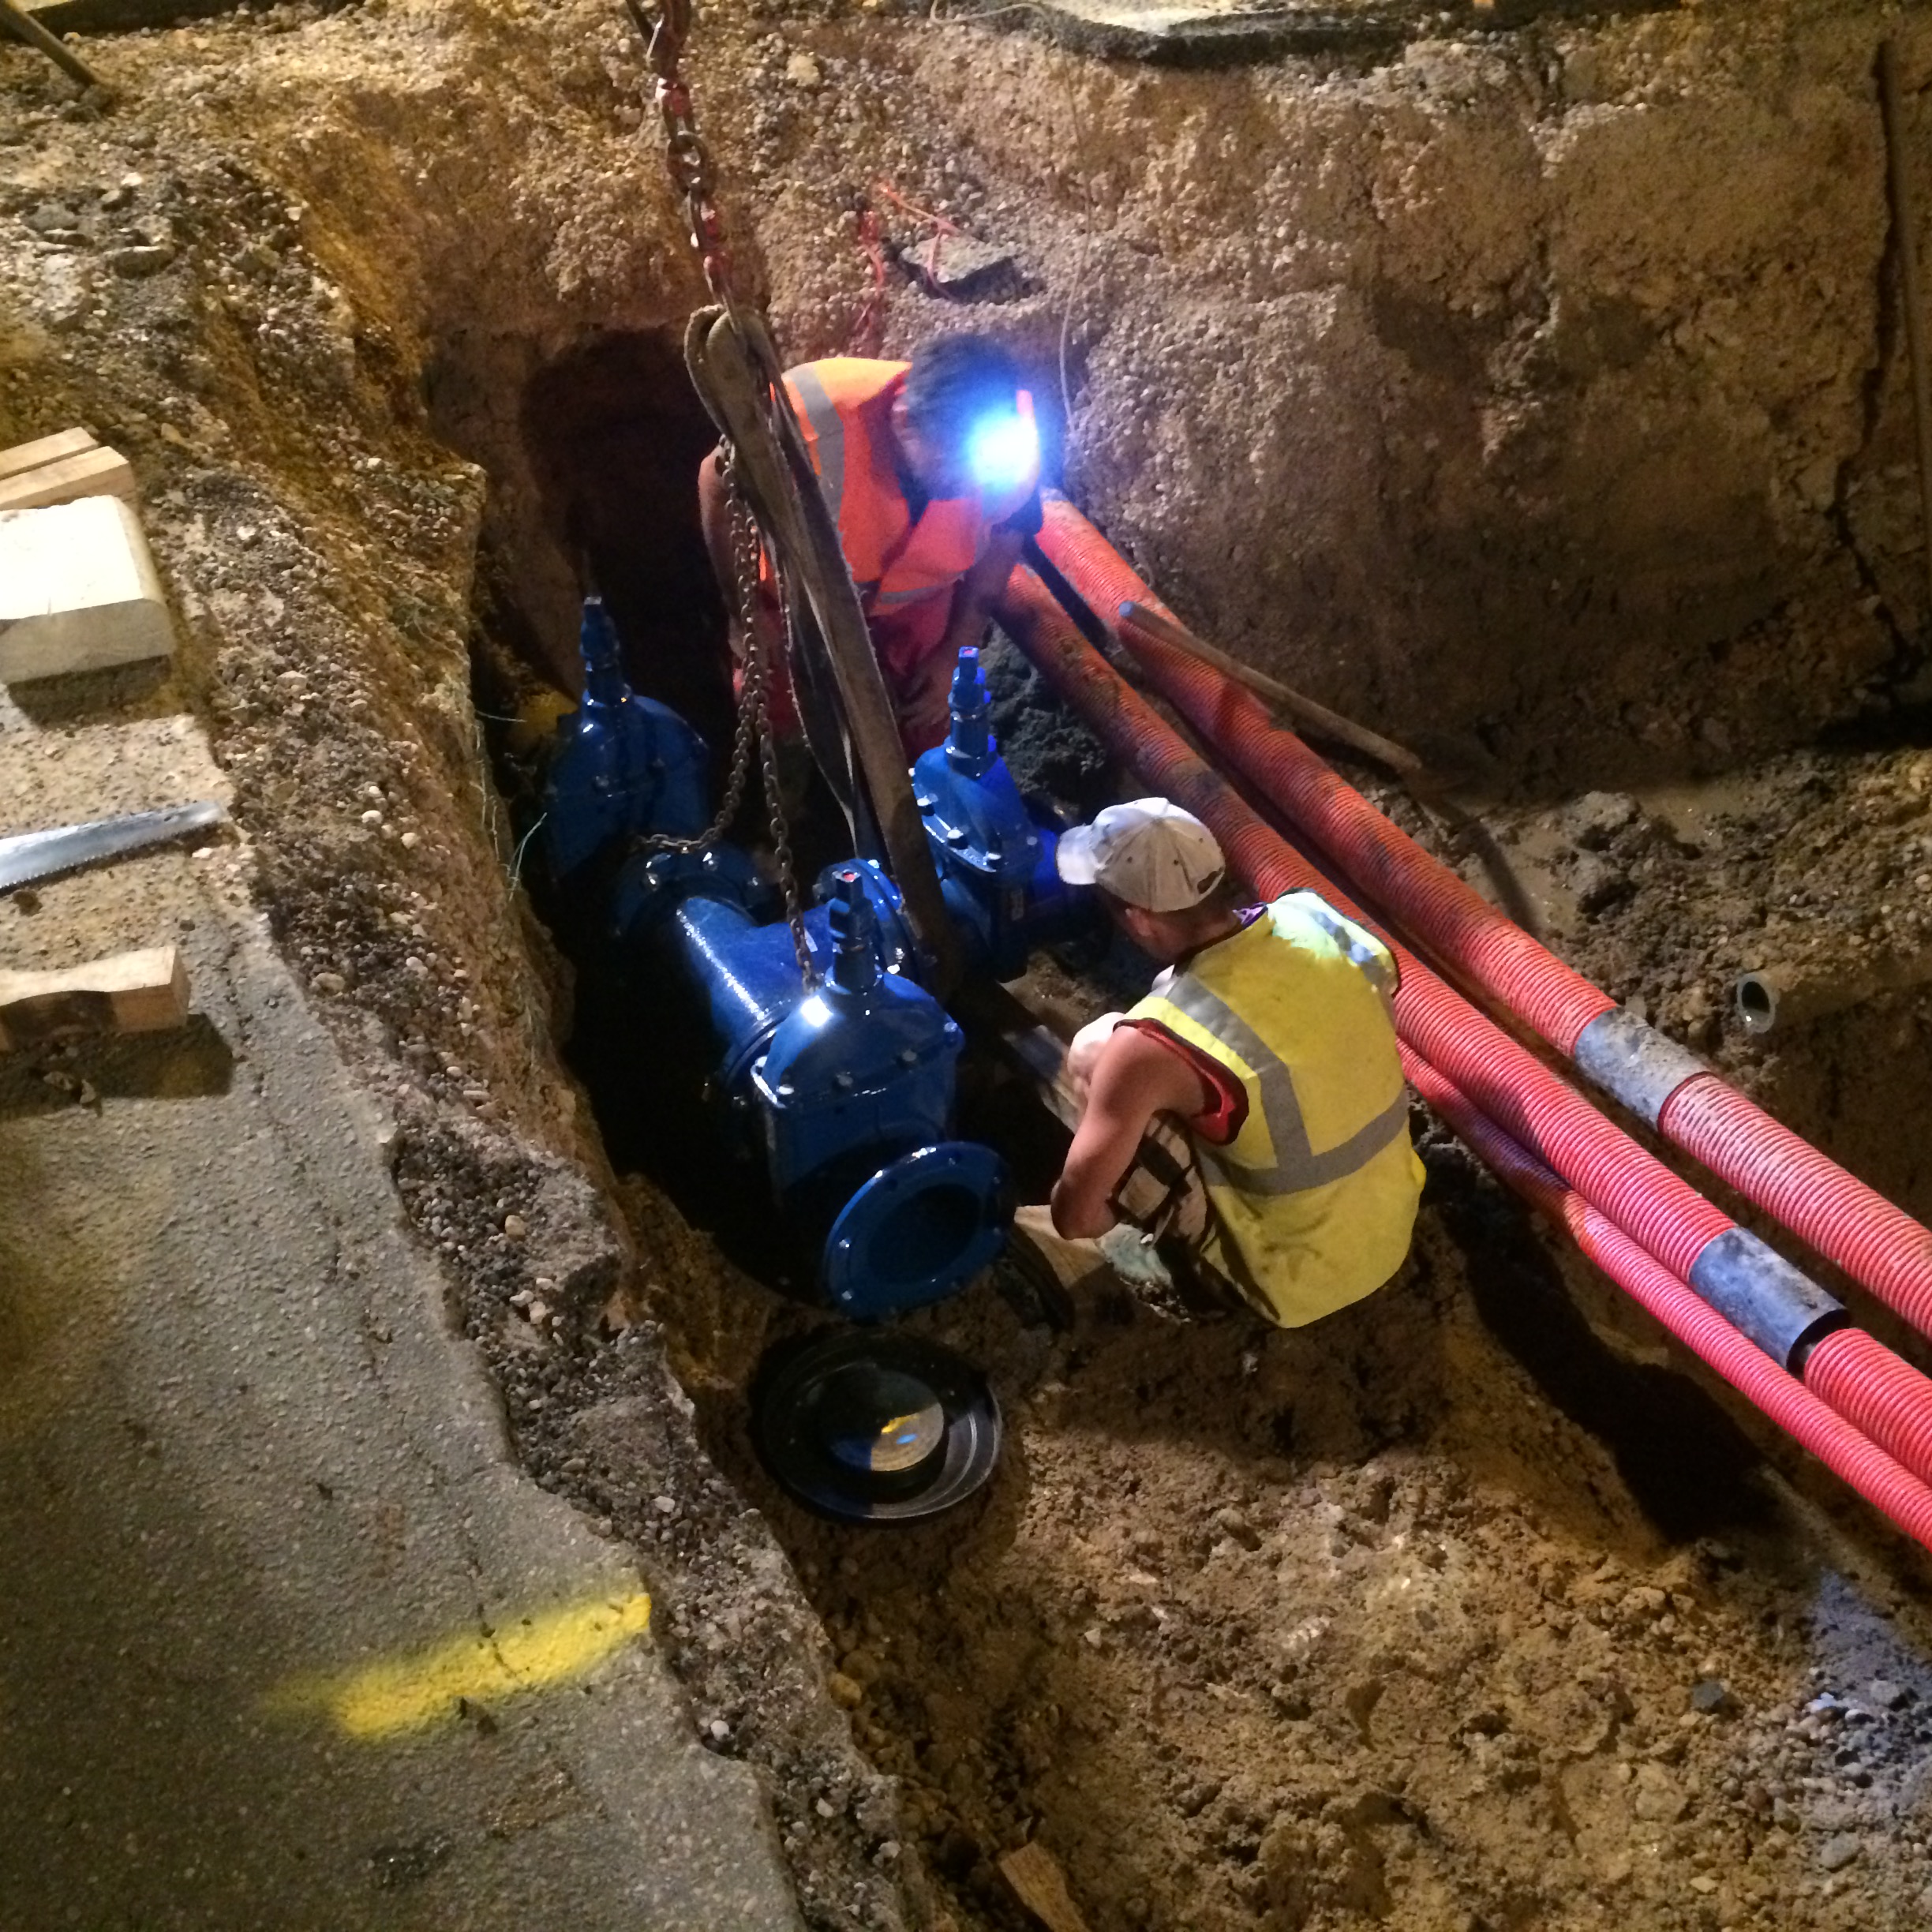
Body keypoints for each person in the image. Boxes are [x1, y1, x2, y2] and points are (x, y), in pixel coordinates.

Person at [1021, 799, 1425, 1328]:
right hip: (1390, 1226)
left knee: (1100, 1051)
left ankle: (1184, 1269)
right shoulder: (1313, 918)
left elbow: (1074, 1220)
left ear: (1139, 919)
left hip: (1287, 1281)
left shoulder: (1150, 1045)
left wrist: (1105, 1211)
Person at [698, 335, 1043, 759]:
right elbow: (715, 481)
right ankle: (797, 798)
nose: (970, 484)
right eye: (951, 464)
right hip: (798, 599)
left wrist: (957, 645)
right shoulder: (808, 420)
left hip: (913, 602)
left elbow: (1010, 526)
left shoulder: (1009, 441)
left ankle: (924, 793)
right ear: (903, 422)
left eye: (978, 469)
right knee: (772, 703)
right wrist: (742, 610)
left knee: (938, 706)